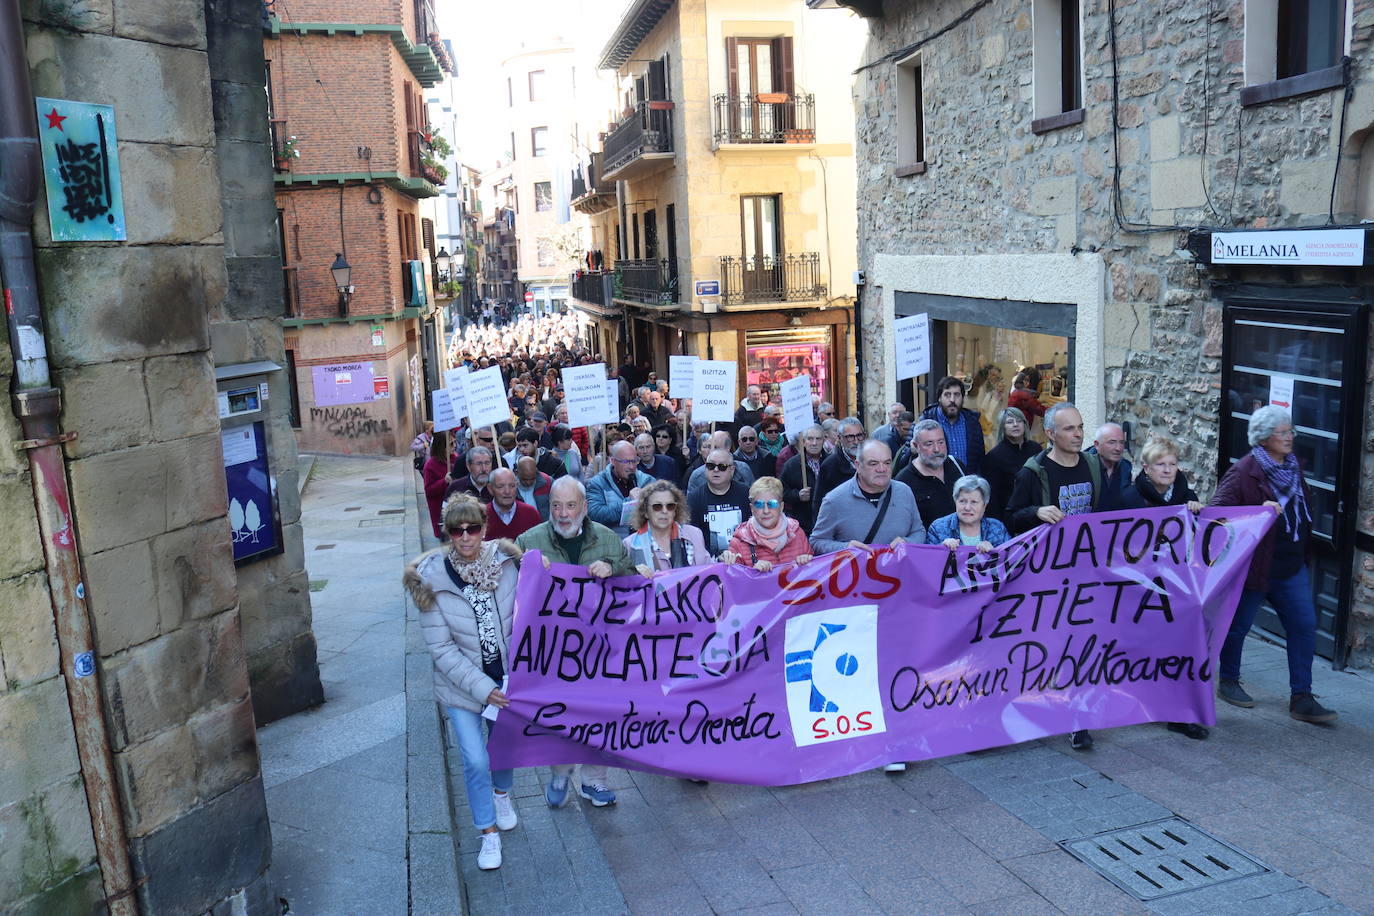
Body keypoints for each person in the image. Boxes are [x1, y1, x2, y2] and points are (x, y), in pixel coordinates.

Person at [405, 496, 520, 870]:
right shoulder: (429, 578)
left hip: (505, 682)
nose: (466, 537)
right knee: (474, 758)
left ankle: (502, 793)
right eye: (457, 530)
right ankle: (487, 833)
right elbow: (441, 648)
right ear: (448, 533)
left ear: (484, 528)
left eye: (472, 528)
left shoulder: (509, 563)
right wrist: (482, 688)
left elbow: (530, 614)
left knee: (504, 751)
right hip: (462, 687)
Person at [516, 477, 637, 807]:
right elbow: (513, 590)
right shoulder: (529, 541)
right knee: (561, 717)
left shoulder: (608, 538)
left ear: (584, 507)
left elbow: (632, 582)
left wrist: (613, 566)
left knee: (600, 714)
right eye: (556, 505)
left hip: (601, 649)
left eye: (570, 505)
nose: (563, 513)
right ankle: (560, 772)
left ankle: (594, 781)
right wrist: (526, 566)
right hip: (554, 649)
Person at [1212, 406, 1337, 725]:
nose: (1289, 437)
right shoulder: (1244, 471)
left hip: (1290, 566)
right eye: (1283, 432)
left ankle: (1302, 697)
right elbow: (1218, 514)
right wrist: (1257, 510)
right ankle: (1228, 680)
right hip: (1256, 567)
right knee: (1238, 627)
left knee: (1304, 626)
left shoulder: (1293, 467)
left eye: (1290, 431)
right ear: (1265, 438)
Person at [810, 439, 924, 773]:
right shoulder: (835, 500)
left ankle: (895, 742)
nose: (882, 470)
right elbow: (816, 541)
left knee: (894, 666)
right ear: (857, 465)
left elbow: (919, 531)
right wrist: (845, 548)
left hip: (898, 597)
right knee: (860, 669)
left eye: (887, 463)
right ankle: (858, 737)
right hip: (854, 601)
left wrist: (909, 542)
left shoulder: (903, 493)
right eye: (873, 464)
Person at [1004, 401, 1104, 750]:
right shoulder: (1033, 472)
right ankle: (1034, 705)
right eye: (1069, 429)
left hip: (1086, 571)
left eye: (1079, 427)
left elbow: (1107, 512)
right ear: (1050, 434)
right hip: (1046, 574)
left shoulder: (1092, 464)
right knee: (1049, 645)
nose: (1078, 434)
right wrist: (1036, 511)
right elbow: (1011, 516)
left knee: (1079, 644)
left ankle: (1078, 717)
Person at [721, 477, 813, 571]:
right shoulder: (739, 542)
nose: (766, 511)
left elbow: (814, 575)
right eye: (759, 504)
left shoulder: (798, 533)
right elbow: (732, 579)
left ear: (781, 507)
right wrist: (752, 572)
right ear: (752, 508)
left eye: (772, 504)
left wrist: (807, 562)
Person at [623, 480, 708, 574]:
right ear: (646, 512)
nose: (664, 511)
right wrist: (633, 573)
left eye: (670, 506)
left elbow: (711, 572)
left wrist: (723, 559)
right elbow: (623, 582)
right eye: (657, 506)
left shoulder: (695, 535)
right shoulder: (630, 545)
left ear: (676, 510)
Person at [895, 419, 967, 528]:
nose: (937, 449)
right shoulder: (904, 482)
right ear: (915, 445)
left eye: (941, 442)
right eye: (929, 444)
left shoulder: (957, 466)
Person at [981, 407, 1040, 524]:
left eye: (1019, 421)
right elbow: (993, 497)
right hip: (1010, 517)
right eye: (1009, 422)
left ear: (1025, 424)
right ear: (1002, 427)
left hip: (1037, 513)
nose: (1015, 425)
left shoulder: (1036, 449)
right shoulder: (994, 457)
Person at [688, 449, 752, 556]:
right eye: (711, 465)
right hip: (709, 562)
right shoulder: (694, 498)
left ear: (732, 470)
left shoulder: (746, 494)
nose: (716, 470)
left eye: (722, 466)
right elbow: (692, 538)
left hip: (744, 558)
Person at [925, 475, 1010, 552]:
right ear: (955, 502)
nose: (967, 507)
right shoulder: (938, 528)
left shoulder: (997, 528)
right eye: (962, 501)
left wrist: (994, 552)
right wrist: (941, 548)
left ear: (984, 505)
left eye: (974, 502)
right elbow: (927, 563)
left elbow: (1011, 562)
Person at [587, 440, 654, 537]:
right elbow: (595, 515)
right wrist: (628, 503)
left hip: (643, 542)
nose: (631, 466)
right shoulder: (598, 483)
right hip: (613, 545)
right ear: (613, 461)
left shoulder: (647, 481)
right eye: (626, 462)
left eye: (634, 461)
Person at [919, 376, 985, 474]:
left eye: (957, 395)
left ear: (963, 398)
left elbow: (980, 459)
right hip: (937, 482)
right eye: (947, 395)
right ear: (939, 398)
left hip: (967, 483)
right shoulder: (926, 422)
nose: (952, 400)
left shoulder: (973, 423)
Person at [1120, 436, 1202, 513]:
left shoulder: (1189, 498)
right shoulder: (1128, 498)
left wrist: (1199, 511)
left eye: (1172, 464)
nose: (1167, 470)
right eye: (1160, 464)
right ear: (1146, 468)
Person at [781, 425, 826, 533]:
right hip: (803, 524)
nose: (814, 443)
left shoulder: (831, 462)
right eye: (810, 439)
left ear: (823, 440)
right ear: (804, 441)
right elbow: (781, 492)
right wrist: (797, 495)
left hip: (828, 520)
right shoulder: (791, 465)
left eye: (818, 439)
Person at [813, 417, 865, 510]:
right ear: (840, 438)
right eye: (850, 437)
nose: (856, 441)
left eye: (859, 435)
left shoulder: (873, 460)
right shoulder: (830, 465)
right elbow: (819, 502)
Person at [686, 432, 756, 493]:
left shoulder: (743, 470)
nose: (711, 451)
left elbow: (753, 499)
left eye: (716, 447)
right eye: (709, 447)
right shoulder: (697, 476)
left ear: (727, 448)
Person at [485, 468, 542, 540]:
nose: (507, 491)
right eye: (500, 487)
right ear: (490, 489)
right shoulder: (481, 515)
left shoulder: (531, 513)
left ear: (517, 486)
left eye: (512, 486)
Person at [1086, 422, 1132, 505]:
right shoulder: (1083, 466)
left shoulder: (1126, 468)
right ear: (1097, 445)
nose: (1118, 448)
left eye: (1121, 442)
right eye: (1112, 442)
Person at [422, 430, 451, 539]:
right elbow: (429, 490)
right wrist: (444, 481)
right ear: (441, 446)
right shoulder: (430, 465)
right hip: (440, 511)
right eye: (451, 444)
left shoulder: (456, 459)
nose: (455, 446)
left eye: (454, 443)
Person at [514, 456, 553, 520]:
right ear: (517, 473)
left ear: (536, 471)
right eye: (525, 479)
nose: (529, 483)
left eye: (532, 479)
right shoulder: (510, 487)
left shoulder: (547, 482)